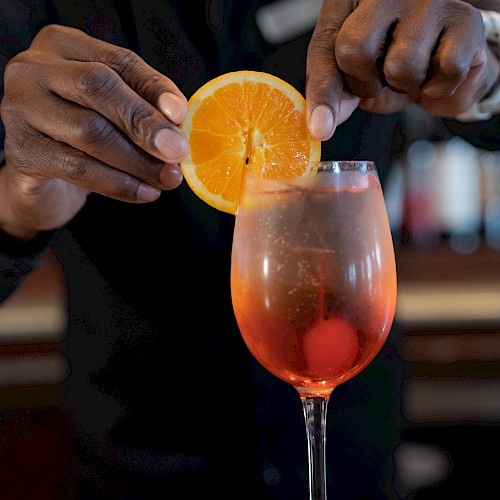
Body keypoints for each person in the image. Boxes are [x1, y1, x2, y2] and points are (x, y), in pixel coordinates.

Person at [0, 0, 499, 498]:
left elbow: (483, 85)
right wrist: (16, 206)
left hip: (353, 437)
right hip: (142, 449)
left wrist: (486, 66)